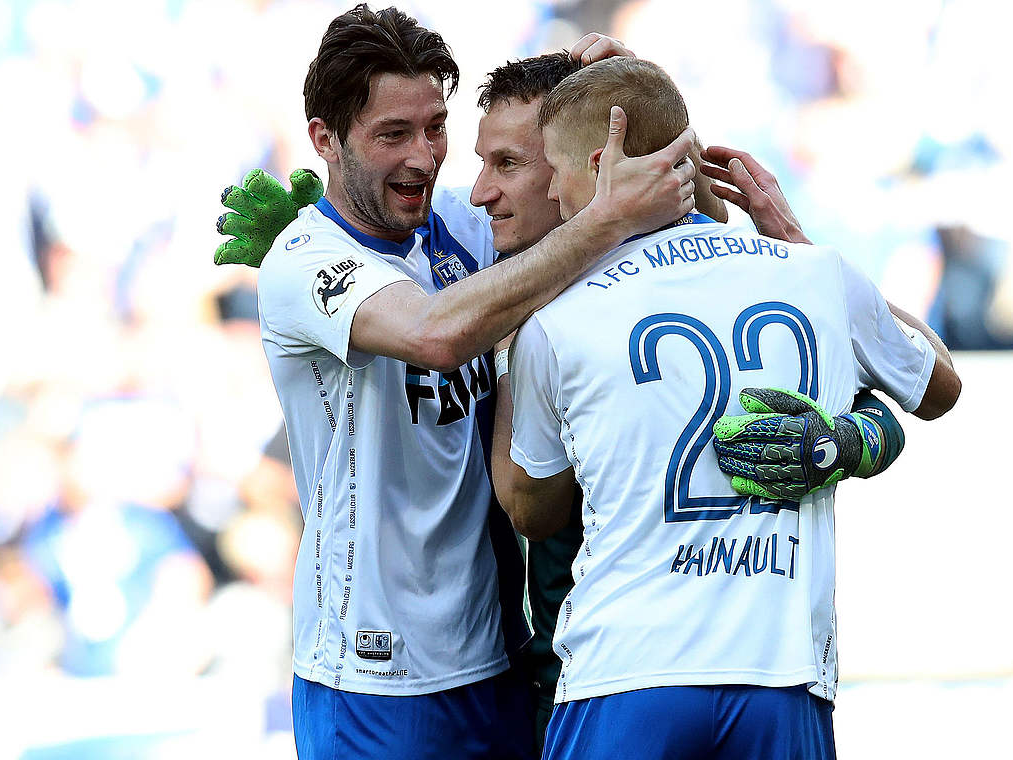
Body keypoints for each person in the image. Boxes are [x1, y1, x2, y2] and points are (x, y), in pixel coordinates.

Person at [253, 6, 697, 759]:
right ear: (325, 140)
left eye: (435, 127)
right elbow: (435, 333)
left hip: (495, 659)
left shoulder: (460, 224)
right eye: (393, 135)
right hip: (372, 679)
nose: (425, 158)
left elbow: (583, 198)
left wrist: (621, 99)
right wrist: (603, 221)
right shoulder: (300, 262)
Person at [493, 57, 960, 760]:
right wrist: (798, 240)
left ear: (599, 162)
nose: (554, 191)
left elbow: (532, 510)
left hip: (624, 674)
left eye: (552, 169)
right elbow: (937, 388)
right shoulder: (814, 275)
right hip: (781, 672)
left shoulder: (557, 320)